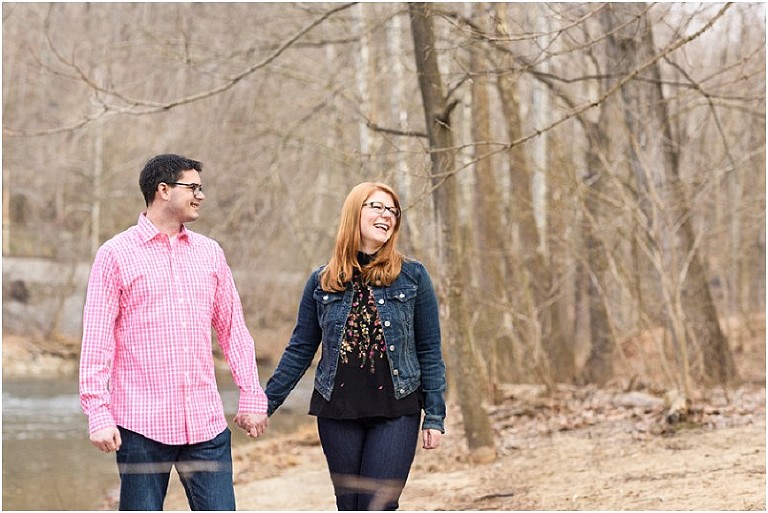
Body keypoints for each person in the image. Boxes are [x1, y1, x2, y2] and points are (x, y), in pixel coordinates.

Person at [79, 154, 269, 511]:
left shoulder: (210, 253)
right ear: (163, 190)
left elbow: (233, 330)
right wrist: (98, 412)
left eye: (201, 187)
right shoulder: (115, 254)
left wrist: (252, 395)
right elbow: (97, 340)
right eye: (193, 187)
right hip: (140, 425)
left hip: (205, 424)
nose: (201, 195)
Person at [264, 182, 447, 511]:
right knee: (349, 506)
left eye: (392, 210)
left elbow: (430, 351)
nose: (386, 215)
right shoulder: (322, 281)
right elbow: (300, 350)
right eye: (377, 206)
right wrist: (264, 404)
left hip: (397, 410)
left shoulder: (413, 277)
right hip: (337, 412)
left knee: (378, 506)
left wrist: (434, 415)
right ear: (354, 213)